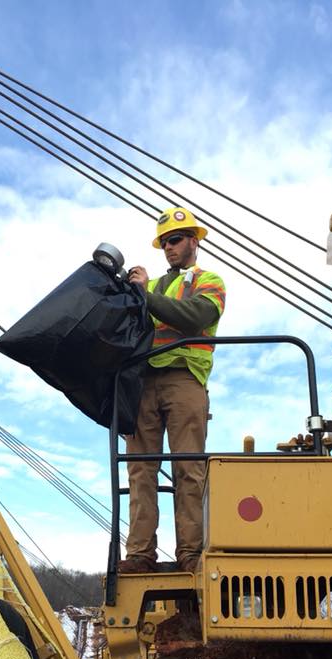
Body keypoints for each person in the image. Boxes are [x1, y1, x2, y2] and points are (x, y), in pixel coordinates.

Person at [118, 206, 226, 575]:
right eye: (164, 242)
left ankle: (191, 554)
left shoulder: (209, 281)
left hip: (185, 379)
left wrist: (142, 293)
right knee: (139, 470)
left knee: (188, 469)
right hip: (143, 383)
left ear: (194, 241)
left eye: (176, 239)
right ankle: (140, 554)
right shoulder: (148, 287)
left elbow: (193, 317)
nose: (169, 247)